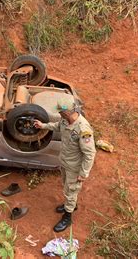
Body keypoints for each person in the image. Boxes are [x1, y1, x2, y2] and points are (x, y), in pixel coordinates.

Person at [34, 94, 96, 232]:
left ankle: (67, 217)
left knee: (71, 191)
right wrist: (43, 125)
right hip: (65, 162)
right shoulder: (65, 120)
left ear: (67, 111)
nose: (59, 114)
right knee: (67, 186)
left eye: (60, 111)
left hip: (75, 167)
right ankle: (71, 205)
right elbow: (57, 126)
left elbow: (90, 153)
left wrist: (83, 173)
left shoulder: (83, 129)